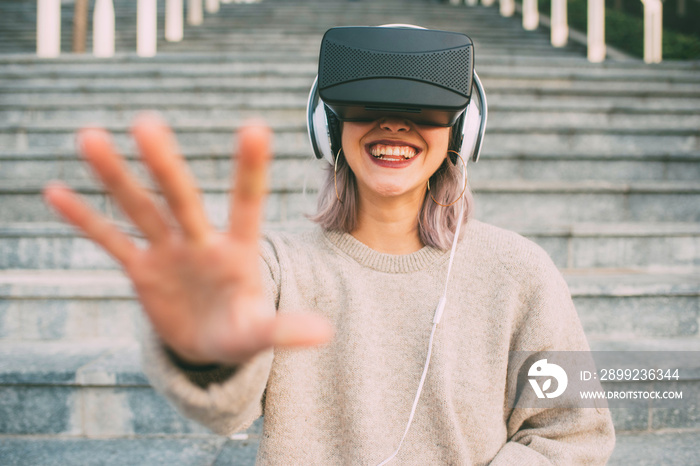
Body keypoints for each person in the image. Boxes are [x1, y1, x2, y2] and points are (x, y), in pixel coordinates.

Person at [43, 26, 615, 465]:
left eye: (423, 108)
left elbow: (575, 433)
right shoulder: (272, 265)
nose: (394, 125)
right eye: (367, 106)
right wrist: (202, 352)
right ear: (328, 125)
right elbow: (224, 408)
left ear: (462, 132)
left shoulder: (519, 270)